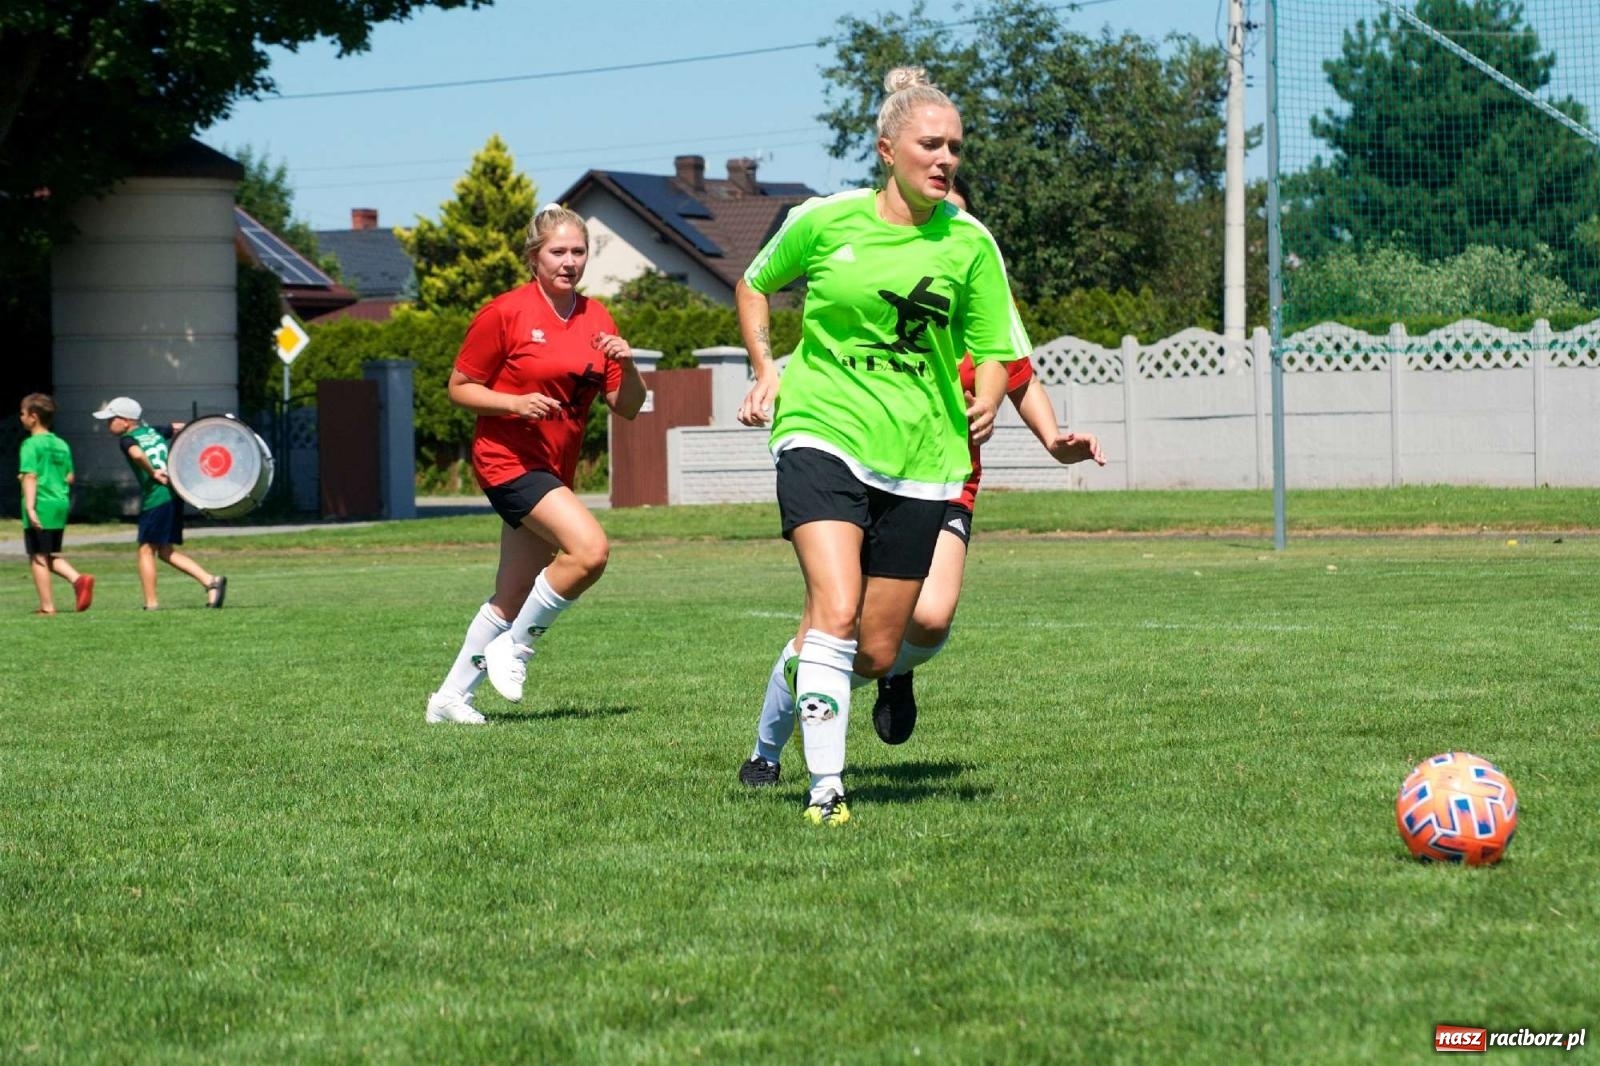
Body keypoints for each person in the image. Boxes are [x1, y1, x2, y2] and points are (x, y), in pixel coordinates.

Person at [734, 67, 1031, 825]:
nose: (946, 159)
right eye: (931, 144)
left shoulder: (970, 244)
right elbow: (755, 282)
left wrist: (990, 396)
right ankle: (826, 788)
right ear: (886, 149)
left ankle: (772, 732)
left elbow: (996, 344)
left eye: (956, 148)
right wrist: (768, 368)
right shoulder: (825, 219)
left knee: (876, 647)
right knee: (834, 609)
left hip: (924, 458)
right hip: (820, 431)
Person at [738, 185, 1105, 783]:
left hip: (938, 479)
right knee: (828, 616)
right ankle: (771, 753)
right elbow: (769, 288)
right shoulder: (872, 267)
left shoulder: (974, 276)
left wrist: (1054, 439)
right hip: (845, 454)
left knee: (927, 620)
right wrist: (769, 373)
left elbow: (1015, 372)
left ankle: (893, 669)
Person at [425, 203, 646, 725]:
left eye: (578, 251)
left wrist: (628, 363)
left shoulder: (598, 317)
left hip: (553, 470)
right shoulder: (504, 313)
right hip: (508, 461)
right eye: (557, 251)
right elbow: (459, 389)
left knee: (512, 593)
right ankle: (516, 648)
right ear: (533, 257)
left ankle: (449, 699)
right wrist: (513, 404)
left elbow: (629, 407)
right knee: (590, 551)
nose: (569, 261)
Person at [93, 396, 226, 610]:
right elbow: (178, 427)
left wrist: (152, 471)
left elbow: (137, 455)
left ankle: (151, 603)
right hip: (174, 494)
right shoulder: (154, 431)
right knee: (165, 551)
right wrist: (206, 428)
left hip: (157, 496)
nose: (108, 423)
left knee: (146, 550)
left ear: (126, 421)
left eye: (112, 419)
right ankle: (211, 581)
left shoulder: (127, 440)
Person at [17, 393, 94, 615]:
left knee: (38, 556)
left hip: (40, 502)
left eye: (22, 413)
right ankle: (79, 580)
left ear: (33, 416)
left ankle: (47, 607)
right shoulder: (61, 443)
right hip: (59, 502)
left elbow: (30, 476)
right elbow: (69, 477)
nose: (20, 418)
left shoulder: (30, 444)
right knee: (48, 552)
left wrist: (30, 507)